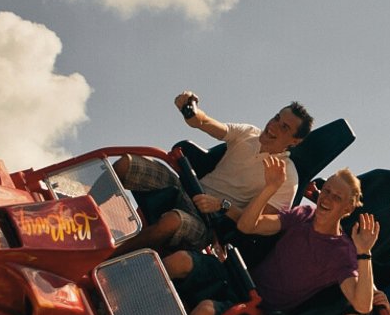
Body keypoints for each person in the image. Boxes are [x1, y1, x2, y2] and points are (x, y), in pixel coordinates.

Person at [171, 159, 378, 315]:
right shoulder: (303, 215)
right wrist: (270, 188)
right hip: (239, 278)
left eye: (337, 197)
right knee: (181, 260)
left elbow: (362, 305)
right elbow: (247, 225)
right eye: (327, 190)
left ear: (347, 208)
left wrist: (364, 252)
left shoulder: (343, 254)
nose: (327, 198)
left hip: (258, 309)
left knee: (206, 310)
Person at [113, 94, 313, 254]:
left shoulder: (286, 178)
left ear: (295, 141)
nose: (273, 125)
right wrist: (190, 110)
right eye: (277, 118)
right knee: (126, 164)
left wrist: (222, 205)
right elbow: (205, 122)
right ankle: (83, 211)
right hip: (188, 188)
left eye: (284, 127)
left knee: (171, 221)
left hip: (209, 222)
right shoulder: (248, 133)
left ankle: (107, 259)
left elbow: (252, 223)